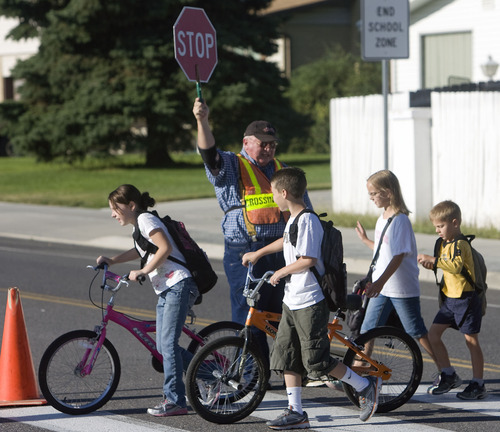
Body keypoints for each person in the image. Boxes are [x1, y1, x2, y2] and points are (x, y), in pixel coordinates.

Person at [242, 167, 381, 429]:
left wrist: (281, 272)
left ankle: (365, 386)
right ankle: (296, 412)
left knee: (315, 360)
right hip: (292, 300)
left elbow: (307, 260)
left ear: (284, 193)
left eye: (273, 193)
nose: (272, 197)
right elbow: (285, 243)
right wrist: (258, 253)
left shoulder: (307, 220)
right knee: (286, 356)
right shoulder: (293, 220)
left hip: (309, 301)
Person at [192, 98, 312, 365]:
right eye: (262, 143)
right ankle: (252, 373)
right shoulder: (232, 165)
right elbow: (209, 155)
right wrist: (202, 121)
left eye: (272, 144)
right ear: (246, 143)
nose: (268, 148)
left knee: (283, 313)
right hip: (246, 250)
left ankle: (291, 368)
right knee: (249, 313)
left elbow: (305, 211)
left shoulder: (282, 169)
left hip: (283, 249)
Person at [96, 184, 199, 417]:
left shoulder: (145, 221)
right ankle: (209, 371)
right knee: (163, 347)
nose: (113, 213)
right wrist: (111, 261)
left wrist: (143, 271)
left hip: (178, 284)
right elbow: (140, 251)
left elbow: (165, 247)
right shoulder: (140, 225)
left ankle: (175, 401)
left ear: (131, 206)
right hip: (167, 288)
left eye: (116, 208)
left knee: (168, 345)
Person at [355, 170, 436, 364]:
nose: (371, 198)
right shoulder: (382, 218)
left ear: (388, 193)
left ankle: (446, 371)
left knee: (416, 331)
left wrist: (379, 283)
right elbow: (384, 251)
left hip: (401, 289)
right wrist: (366, 240)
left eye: (374, 194)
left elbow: (398, 256)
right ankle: (358, 370)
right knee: (368, 330)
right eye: (370, 194)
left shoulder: (400, 221)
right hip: (383, 288)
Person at [417, 200, 486, 399]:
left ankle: (478, 383)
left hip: (466, 299)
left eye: (441, 226)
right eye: (436, 227)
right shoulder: (442, 243)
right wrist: (432, 265)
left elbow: (455, 266)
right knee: (433, 335)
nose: (438, 230)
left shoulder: (460, 243)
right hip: (450, 300)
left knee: (471, 341)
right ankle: (448, 374)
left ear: (454, 223)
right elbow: (445, 266)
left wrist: (434, 260)